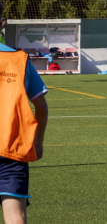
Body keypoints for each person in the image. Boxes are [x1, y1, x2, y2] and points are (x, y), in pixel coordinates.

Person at [0, 41, 49, 223]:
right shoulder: (19, 59)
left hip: (12, 151)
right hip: (12, 149)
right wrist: (38, 140)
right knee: (15, 216)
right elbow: (41, 106)